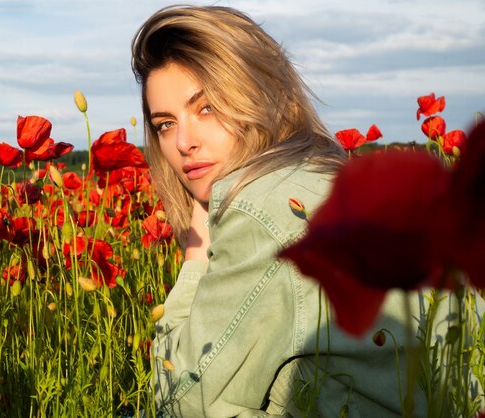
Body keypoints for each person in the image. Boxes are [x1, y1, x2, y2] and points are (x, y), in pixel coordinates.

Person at [131, 5, 483, 418]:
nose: (184, 142)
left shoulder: (259, 209)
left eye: (207, 107)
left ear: (261, 97)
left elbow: (180, 400)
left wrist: (195, 255)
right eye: (165, 124)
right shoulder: (331, 181)